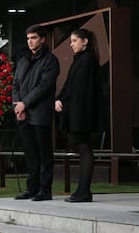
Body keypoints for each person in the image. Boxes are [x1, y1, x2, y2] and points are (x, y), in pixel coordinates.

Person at [13, 24, 59, 201]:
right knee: (30, 153)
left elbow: (44, 87)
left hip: (40, 113)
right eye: (28, 38)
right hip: (23, 113)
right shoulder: (23, 59)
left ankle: (45, 190)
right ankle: (31, 189)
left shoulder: (50, 60)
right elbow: (15, 84)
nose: (30, 41)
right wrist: (18, 106)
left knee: (44, 153)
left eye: (33, 38)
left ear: (42, 39)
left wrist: (25, 104)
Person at [55, 28, 102, 203]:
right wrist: (60, 99)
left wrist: (63, 100)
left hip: (82, 113)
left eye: (74, 40)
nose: (71, 44)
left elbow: (78, 88)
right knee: (82, 147)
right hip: (78, 111)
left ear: (85, 41)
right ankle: (83, 190)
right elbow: (70, 85)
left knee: (83, 147)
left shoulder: (87, 60)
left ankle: (84, 191)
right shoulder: (81, 60)